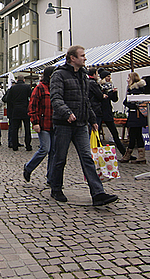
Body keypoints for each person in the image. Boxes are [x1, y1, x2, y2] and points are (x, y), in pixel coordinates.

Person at [49, 45, 118, 206]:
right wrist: (67, 113)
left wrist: (92, 119)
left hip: (81, 124)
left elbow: (85, 100)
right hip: (63, 124)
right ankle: (56, 188)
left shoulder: (83, 75)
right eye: (82, 55)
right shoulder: (58, 75)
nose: (85, 58)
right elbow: (56, 98)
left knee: (87, 157)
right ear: (72, 58)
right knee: (60, 158)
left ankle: (98, 193)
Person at [23, 66, 54, 183]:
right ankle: (28, 167)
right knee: (45, 149)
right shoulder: (40, 88)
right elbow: (32, 106)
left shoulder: (56, 87)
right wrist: (35, 122)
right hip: (43, 123)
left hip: (55, 124)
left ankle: (51, 178)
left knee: (54, 152)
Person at [98, 69, 126, 156]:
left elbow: (114, 100)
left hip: (108, 112)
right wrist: (109, 94)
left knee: (115, 133)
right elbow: (100, 98)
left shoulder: (110, 86)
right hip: (99, 112)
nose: (109, 78)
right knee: (97, 133)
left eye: (109, 76)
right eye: (107, 76)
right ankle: (98, 153)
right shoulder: (99, 86)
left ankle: (124, 152)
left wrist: (114, 93)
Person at [121, 72, 147, 164]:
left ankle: (128, 155)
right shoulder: (138, 90)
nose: (127, 80)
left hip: (135, 116)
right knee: (137, 135)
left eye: (128, 78)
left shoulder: (134, 91)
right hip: (137, 116)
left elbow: (127, 102)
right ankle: (141, 156)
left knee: (132, 135)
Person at [3, 75, 32, 151]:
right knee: (27, 128)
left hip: (15, 110)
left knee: (14, 129)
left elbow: (8, 99)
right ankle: (28, 145)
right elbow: (31, 96)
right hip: (25, 109)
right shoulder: (27, 87)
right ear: (24, 80)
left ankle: (15, 145)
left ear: (16, 80)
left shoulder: (13, 88)